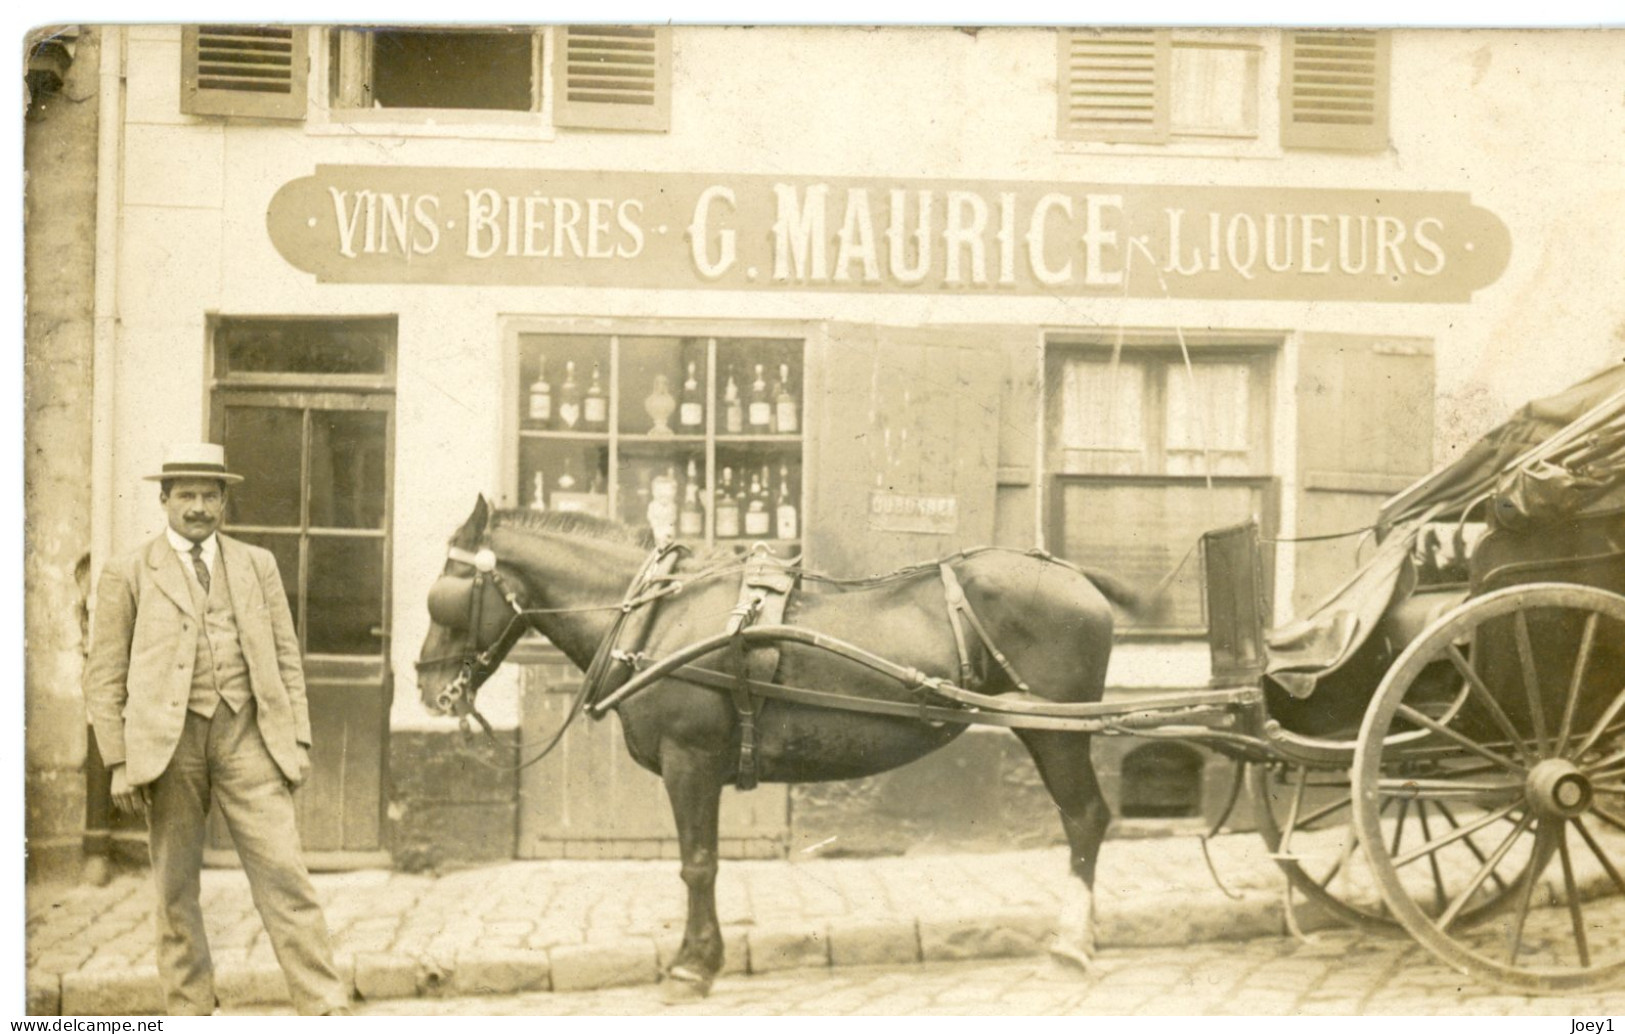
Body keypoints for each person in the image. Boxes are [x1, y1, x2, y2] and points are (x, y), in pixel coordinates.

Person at [82, 443, 350, 1016]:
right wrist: (119, 762)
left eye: (210, 495)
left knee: (284, 873)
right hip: (167, 746)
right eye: (187, 496)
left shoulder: (257, 565)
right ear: (164, 501)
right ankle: (189, 1010)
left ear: (224, 500)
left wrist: (297, 739)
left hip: (247, 736)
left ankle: (325, 1004)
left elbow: (285, 656)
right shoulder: (127, 571)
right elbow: (103, 677)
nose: (199, 507)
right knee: (176, 889)